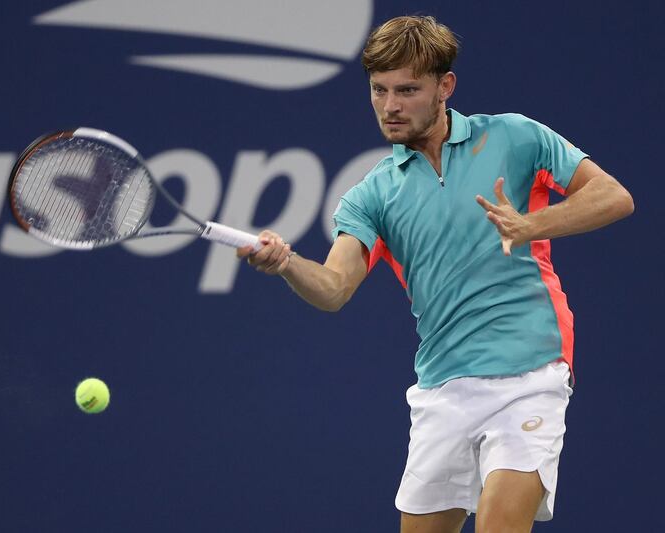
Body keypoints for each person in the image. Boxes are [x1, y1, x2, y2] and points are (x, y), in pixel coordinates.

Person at [236, 15, 634, 533]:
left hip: (531, 372)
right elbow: (334, 289)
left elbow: (614, 197)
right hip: (442, 390)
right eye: (379, 90)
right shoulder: (370, 196)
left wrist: (531, 223)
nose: (390, 106)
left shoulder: (515, 137)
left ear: (445, 87)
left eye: (407, 90)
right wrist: (286, 263)